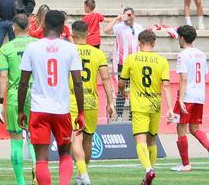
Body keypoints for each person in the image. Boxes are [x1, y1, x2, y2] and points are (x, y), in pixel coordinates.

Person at [17, 10, 83, 185]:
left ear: (44, 25)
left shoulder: (32, 47)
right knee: (65, 155)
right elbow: (78, 83)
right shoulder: (70, 48)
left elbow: (23, 83)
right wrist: (81, 112)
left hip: (39, 109)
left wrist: (20, 111)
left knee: (41, 159)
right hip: (62, 109)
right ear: (63, 28)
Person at [119, 29, 174, 185]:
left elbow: (122, 82)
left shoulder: (131, 59)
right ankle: (150, 172)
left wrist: (124, 91)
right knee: (152, 140)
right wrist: (170, 108)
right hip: (155, 105)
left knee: (140, 141)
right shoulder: (162, 61)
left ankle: (149, 169)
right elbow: (166, 86)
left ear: (139, 42)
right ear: (154, 43)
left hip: (139, 106)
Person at [69, 20, 115, 185]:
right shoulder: (98, 53)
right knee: (88, 139)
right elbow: (106, 79)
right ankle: (83, 174)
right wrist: (110, 102)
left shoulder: (69, 51)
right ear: (88, 34)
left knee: (76, 138)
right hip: (91, 101)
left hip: (73, 100)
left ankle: (83, 174)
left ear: (72, 35)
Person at [171, 25, 209, 172]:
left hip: (187, 95)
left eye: (179, 37)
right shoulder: (201, 54)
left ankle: (185, 164)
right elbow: (203, 75)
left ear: (182, 38)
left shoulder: (182, 55)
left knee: (181, 129)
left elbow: (184, 78)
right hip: (199, 95)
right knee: (194, 128)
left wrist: (181, 99)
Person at [0, 14, 35, 185]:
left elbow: (3, 77)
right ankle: (37, 171)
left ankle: (20, 182)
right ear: (29, 26)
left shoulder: (6, 48)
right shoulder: (38, 44)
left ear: (13, 27)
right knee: (35, 138)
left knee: (16, 141)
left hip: (14, 96)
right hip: (36, 96)